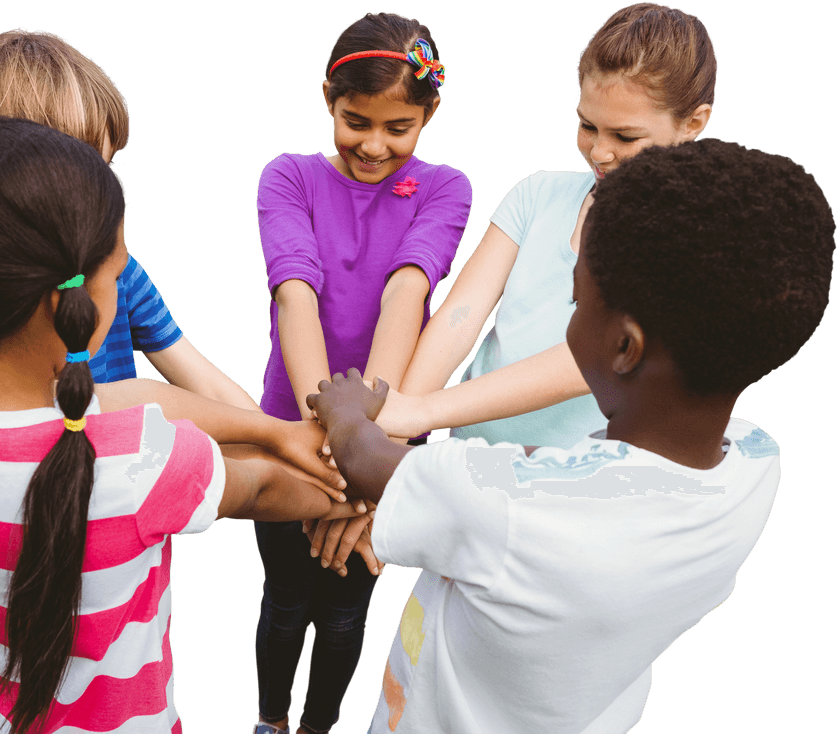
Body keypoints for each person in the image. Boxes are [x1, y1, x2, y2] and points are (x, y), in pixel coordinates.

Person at [0, 118, 362, 734]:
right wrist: (353, 478)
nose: (127, 274)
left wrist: (273, 431)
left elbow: (122, 397)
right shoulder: (135, 468)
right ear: (64, 303)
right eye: (117, 268)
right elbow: (265, 489)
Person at [307, 139, 835, 733]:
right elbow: (574, 478)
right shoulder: (754, 464)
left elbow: (365, 458)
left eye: (575, 299)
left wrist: (347, 409)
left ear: (623, 347)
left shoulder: (497, 508)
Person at [252, 12, 472, 734]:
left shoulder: (447, 190)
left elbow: (407, 293)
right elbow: (296, 293)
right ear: (327, 100)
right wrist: (326, 435)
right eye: (356, 121)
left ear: (429, 113)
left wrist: (363, 444)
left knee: (346, 611)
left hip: (381, 447)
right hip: (293, 436)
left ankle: (317, 728)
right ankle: (272, 720)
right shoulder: (289, 177)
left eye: (398, 127)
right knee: (286, 600)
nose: (374, 145)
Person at [374, 3, 715, 447]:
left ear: (693, 123)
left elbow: (593, 357)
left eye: (626, 136)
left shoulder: (703, 240)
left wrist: (422, 411)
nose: (600, 153)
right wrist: (385, 439)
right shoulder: (537, 195)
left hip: (574, 499)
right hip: (463, 469)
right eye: (587, 125)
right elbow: (462, 316)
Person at [0, 29, 260, 409]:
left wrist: (287, 442)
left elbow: (210, 388)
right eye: (81, 177)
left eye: (106, 169)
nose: (102, 198)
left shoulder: (119, 275)